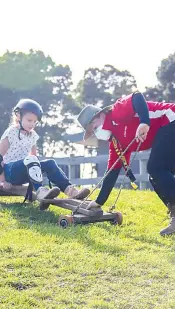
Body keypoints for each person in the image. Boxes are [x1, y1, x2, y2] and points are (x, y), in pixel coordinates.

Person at [77, 91, 175, 236]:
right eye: (92, 131)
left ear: (100, 115)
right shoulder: (116, 143)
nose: (96, 131)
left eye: (94, 126)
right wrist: (99, 201)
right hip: (166, 134)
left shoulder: (116, 112)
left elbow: (137, 96)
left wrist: (144, 122)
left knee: (155, 168)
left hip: (170, 118)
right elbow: (111, 172)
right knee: (157, 177)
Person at [0, 99, 90, 210]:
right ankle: (40, 191)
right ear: (18, 116)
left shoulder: (32, 135)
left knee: (50, 163)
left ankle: (70, 191)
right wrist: (2, 180)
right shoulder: (11, 132)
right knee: (31, 159)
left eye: (35, 122)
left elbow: (34, 158)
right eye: (29, 120)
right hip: (9, 172)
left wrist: (38, 172)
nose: (32, 124)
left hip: (24, 171)